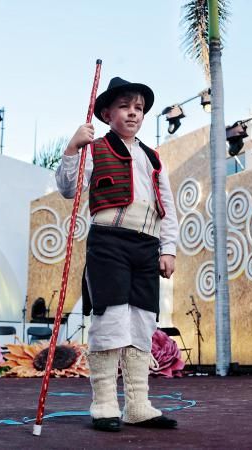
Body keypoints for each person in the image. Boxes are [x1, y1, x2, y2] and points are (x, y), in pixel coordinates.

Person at [56, 77, 179, 432]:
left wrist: (167, 249)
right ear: (107, 113)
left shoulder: (153, 158)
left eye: (138, 108)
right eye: (125, 107)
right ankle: (105, 404)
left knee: (142, 323)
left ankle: (138, 405)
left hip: (146, 246)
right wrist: (72, 149)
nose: (133, 113)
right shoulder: (94, 149)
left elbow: (167, 207)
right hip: (108, 242)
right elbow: (68, 189)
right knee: (110, 321)